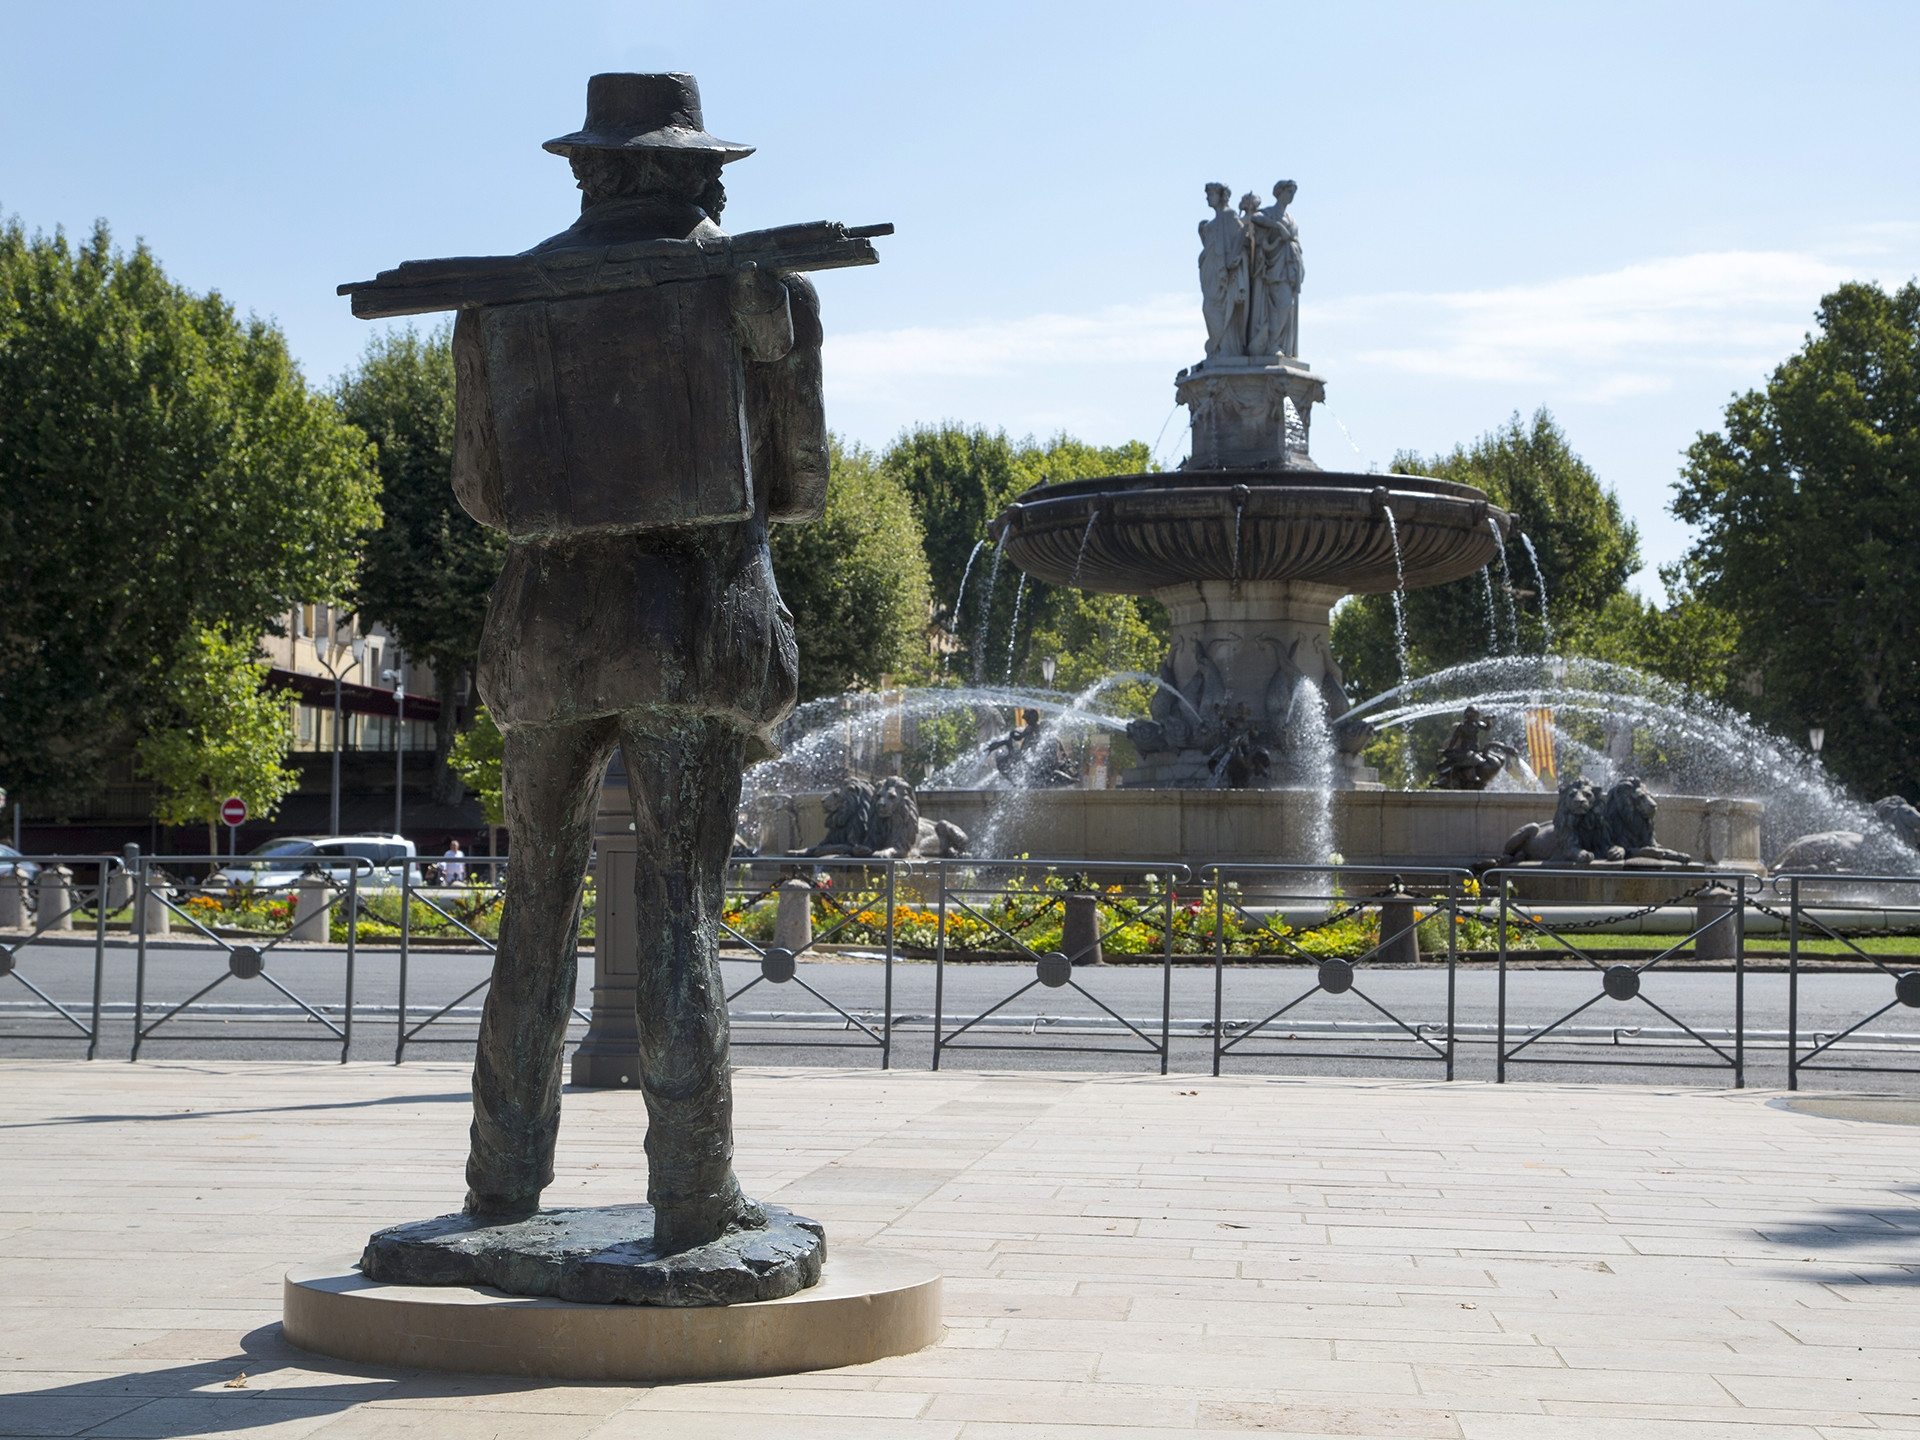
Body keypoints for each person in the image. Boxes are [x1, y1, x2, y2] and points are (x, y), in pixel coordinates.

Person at [451, 73, 829, 1249]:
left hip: (547, 628)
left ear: (589, 170)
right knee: (679, 902)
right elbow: (801, 484)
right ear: (696, 170)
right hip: (694, 622)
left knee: (534, 900)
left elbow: (482, 494)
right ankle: (693, 1194)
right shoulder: (760, 288)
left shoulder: (498, 301)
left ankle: (501, 1182)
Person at [1197, 182, 1249, 358]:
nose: (1207, 197)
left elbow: (1243, 241)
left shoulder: (1230, 216)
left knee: (1220, 308)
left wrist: (1235, 261)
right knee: (1209, 307)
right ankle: (1218, 347)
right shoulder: (1210, 225)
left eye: (1211, 193)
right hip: (1211, 275)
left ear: (1222, 196)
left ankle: (1227, 347)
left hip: (1225, 275)